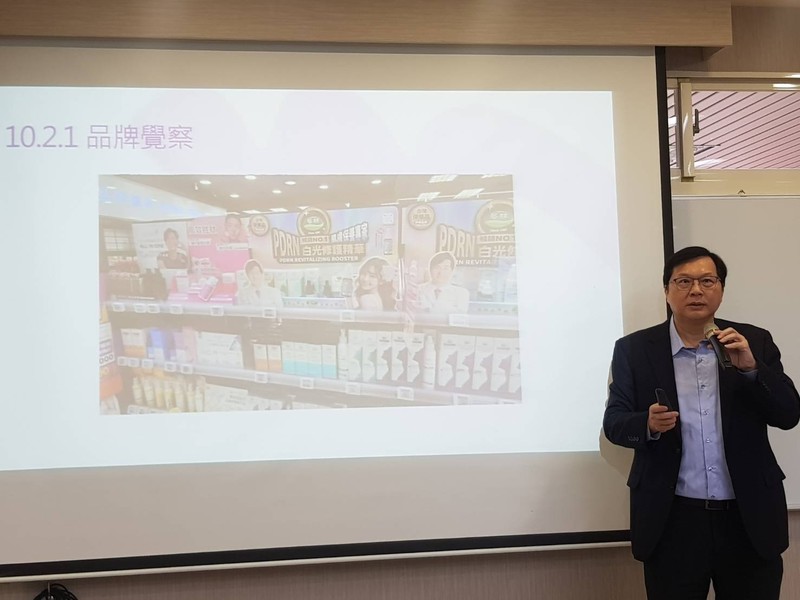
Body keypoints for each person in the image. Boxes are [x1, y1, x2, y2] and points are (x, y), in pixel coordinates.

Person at [603, 246, 800, 600]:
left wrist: (753, 370)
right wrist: (647, 423)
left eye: (707, 281)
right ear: (666, 290)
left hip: (748, 518)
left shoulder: (753, 341)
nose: (696, 290)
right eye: (684, 282)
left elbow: (788, 415)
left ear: (721, 289)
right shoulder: (634, 349)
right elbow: (614, 422)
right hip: (673, 520)